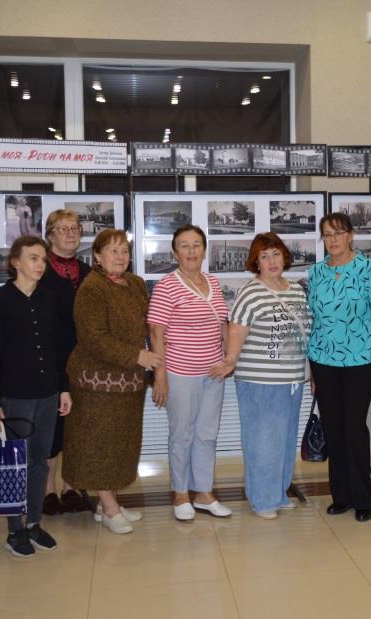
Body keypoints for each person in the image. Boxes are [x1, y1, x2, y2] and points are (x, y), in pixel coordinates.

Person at [63, 229, 164, 533]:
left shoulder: (134, 283)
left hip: (129, 383)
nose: (120, 257)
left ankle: (109, 503)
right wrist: (137, 356)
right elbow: (93, 338)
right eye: (113, 251)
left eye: (124, 251)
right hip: (97, 384)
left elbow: (146, 325)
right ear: (97, 256)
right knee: (100, 446)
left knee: (121, 446)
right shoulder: (92, 288)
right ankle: (108, 507)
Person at [209, 232, 312, 519]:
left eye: (276, 254)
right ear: (256, 262)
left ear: (284, 256)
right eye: (264, 256)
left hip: (292, 381)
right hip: (259, 381)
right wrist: (230, 360)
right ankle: (262, 499)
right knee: (263, 442)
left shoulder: (295, 290)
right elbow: (236, 329)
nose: (271, 261)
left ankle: (279, 493)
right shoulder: (250, 292)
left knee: (285, 441)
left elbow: (304, 333)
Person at [0, 235, 72, 556]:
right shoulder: (0, 300)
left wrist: (63, 388)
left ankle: (33, 522)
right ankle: (14, 530)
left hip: (48, 393)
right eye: (33, 258)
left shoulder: (48, 298)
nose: (40, 264)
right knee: (14, 463)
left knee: (39, 461)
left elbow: (57, 347)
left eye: (43, 259)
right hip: (14, 397)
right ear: (15, 262)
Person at [307, 212, 371, 523]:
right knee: (333, 428)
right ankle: (340, 495)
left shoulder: (368, 269)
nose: (333, 240)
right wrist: (312, 372)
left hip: (360, 362)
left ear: (351, 235)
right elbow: (314, 322)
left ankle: (362, 497)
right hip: (323, 362)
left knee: (354, 428)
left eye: (338, 233)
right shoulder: (316, 272)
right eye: (327, 234)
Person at [148, 225, 232, 522]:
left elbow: (222, 324)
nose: (191, 251)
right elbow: (156, 332)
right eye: (184, 246)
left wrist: (228, 360)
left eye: (197, 244)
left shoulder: (213, 281)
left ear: (204, 250)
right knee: (182, 435)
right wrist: (160, 376)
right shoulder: (167, 286)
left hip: (214, 373)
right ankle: (181, 493)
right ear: (175, 253)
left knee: (207, 434)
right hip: (180, 373)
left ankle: (204, 493)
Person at [39, 209, 91, 515]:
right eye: (63, 229)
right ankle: (48, 489)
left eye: (75, 228)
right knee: (52, 425)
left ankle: (71, 486)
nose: (71, 233)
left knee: (78, 426)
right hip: (48, 356)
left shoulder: (88, 272)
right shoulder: (40, 268)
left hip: (83, 359)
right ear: (50, 235)